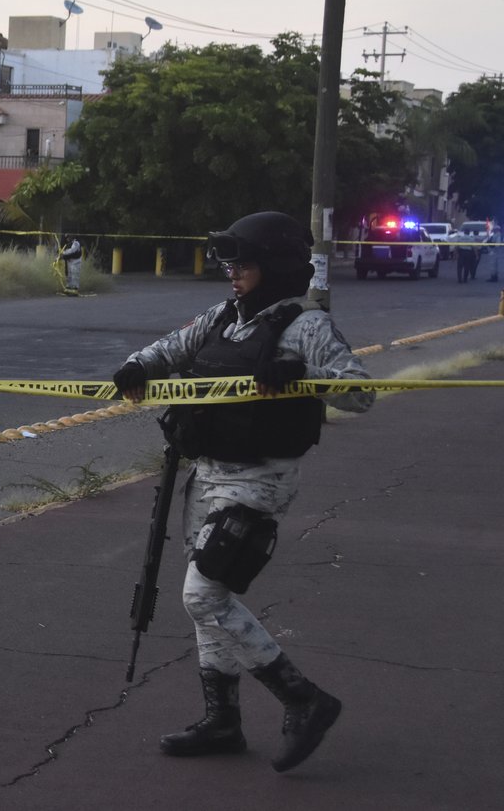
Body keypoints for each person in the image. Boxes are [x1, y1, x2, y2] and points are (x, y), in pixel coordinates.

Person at [111, 211, 374, 773]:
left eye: (244, 264)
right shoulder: (223, 317)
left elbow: (361, 395)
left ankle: (303, 699)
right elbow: (171, 348)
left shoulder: (306, 327)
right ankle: (222, 720)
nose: (232, 273)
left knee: (204, 595)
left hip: (260, 481)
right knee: (209, 606)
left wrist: (301, 376)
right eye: (229, 264)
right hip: (205, 474)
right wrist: (136, 365)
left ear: (276, 267)